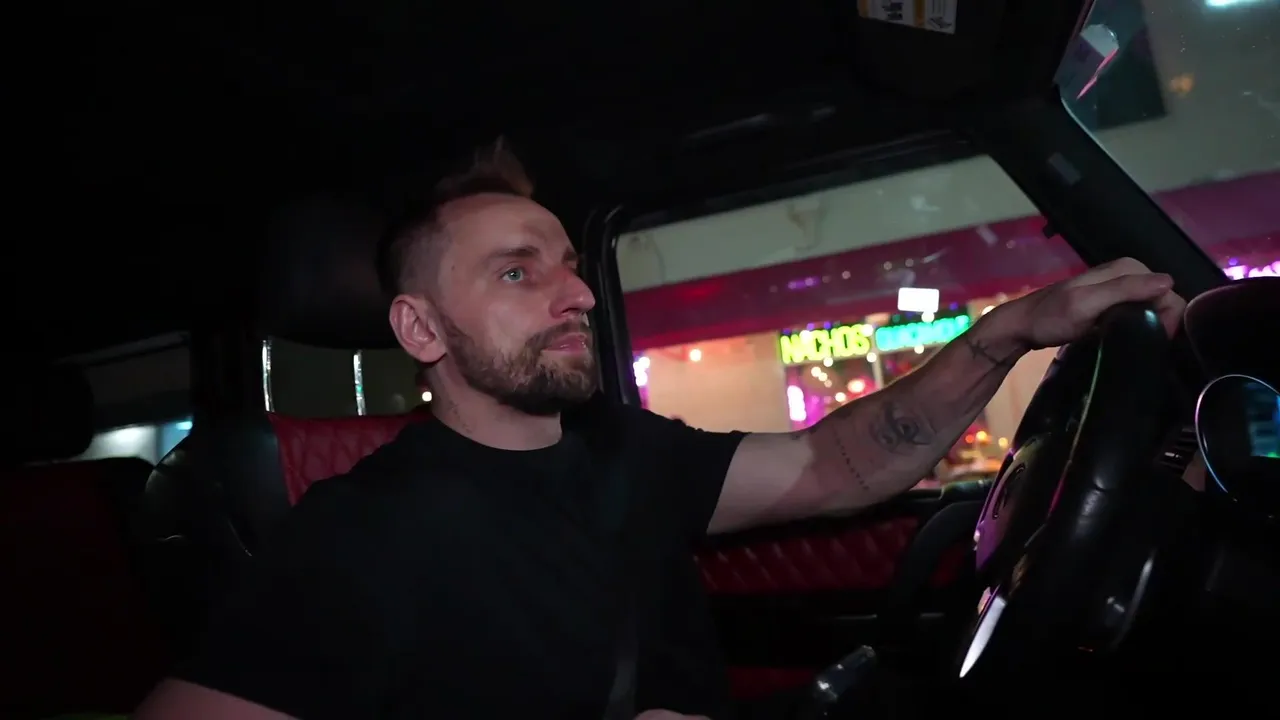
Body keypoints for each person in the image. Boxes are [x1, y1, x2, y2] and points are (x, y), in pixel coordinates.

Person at [135, 141, 1186, 720]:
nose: (575, 295)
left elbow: (836, 464)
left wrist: (1007, 333)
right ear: (420, 330)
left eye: (567, 266)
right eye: (517, 273)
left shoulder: (625, 449)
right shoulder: (359, 531)